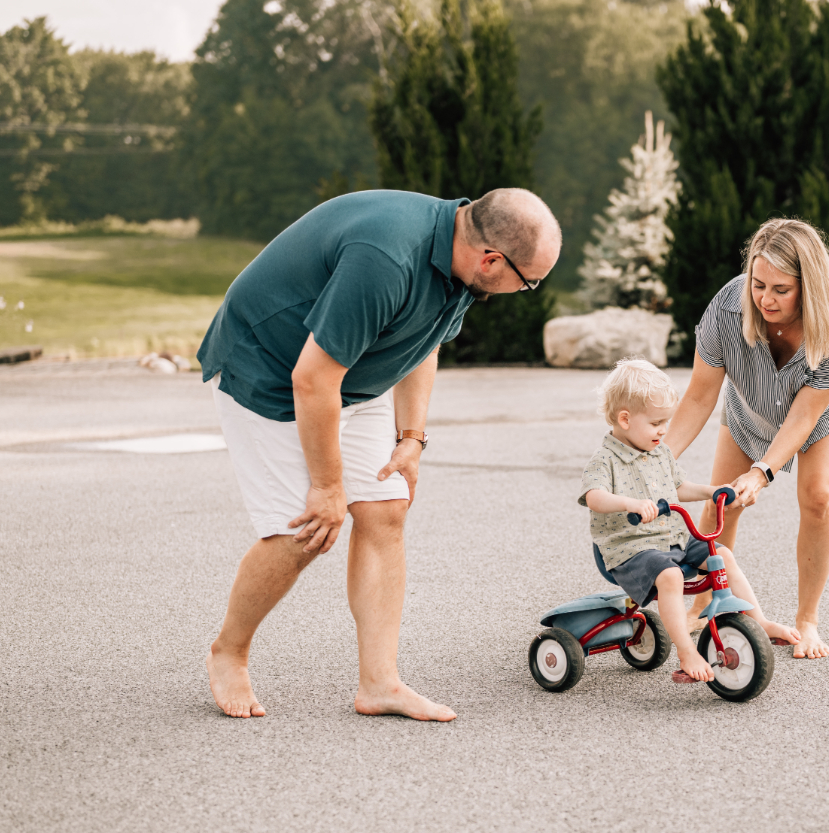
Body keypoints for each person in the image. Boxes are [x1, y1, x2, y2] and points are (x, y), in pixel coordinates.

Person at [197, 187, 561, 720]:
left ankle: (380, 683)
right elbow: (313, 379)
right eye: (527, 282)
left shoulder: (461, 256)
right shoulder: (388, 258)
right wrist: (327, 487)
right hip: (271, 371)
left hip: (352, 375)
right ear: (491, 259)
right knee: (303, 533)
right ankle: (228, 651)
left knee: (386, 510)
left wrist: (410, 439)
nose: (522, 291)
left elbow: (424, 342)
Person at [663, 218, 829, 660]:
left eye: (781, 289)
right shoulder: (726, 310)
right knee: (723, 500)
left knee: (818, 495)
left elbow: (805, 415)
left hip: (824, 408)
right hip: (751, 400)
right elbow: (700, 395)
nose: (765, 299)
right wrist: (657, 458)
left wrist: (761, 473)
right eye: (758, 284)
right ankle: (706, 606)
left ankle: (807, 620)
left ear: (807, 286)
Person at [578, 359, 800, 682]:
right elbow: (593, 495)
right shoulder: (605, 460)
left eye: (666, 421)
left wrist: (714, 491)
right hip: (629, 550)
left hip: (672, 539)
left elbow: (679, 487)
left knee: (720, 554)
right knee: (670, 576)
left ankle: (759, 620)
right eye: (656, 423)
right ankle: (686, 651)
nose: (664, 430)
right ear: (624, 419)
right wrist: (631, 504)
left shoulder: (660, 453)